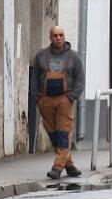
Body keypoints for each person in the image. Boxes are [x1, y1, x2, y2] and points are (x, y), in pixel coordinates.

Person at [31, 26, 85, 180]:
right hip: (45, 100)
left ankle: (57, 167)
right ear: (50, 37)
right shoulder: (41, 56)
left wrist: (72, 97)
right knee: (53, 134)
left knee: (63, 132)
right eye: (55, 35)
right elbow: (35, 78)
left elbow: (80, 79)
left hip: (64, 100)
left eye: (61, 35)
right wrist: (37, 98)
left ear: (64, 37)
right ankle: (70, 165)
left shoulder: (74, 57)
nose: (58, 38)